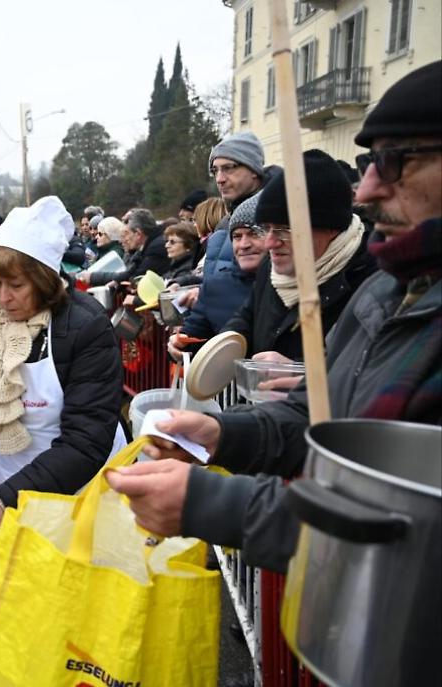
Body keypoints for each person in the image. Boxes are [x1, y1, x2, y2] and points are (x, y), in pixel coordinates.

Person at [106, 60, 442, 575]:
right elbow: (318, 419)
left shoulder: (366, 281)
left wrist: (210, 505)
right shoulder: (386, 292)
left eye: (398, 161)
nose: (370, 190)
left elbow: (406, 532)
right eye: (369, 162)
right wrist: (219, 433)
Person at [0, 197, 125, 566]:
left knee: (80, 580)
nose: (4, 297)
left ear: (45, 280)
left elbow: (86, 442)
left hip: (82, 484)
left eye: (15, 284)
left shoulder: (85, 326)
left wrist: (8, 496)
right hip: (15, 478)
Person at [223, 149, 377, 363]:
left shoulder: (371, 277)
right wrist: (220, 347)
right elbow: (247, 316)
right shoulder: (271, 265)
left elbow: (369, 369)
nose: (270, 243)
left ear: (331, 229)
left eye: (285, 230)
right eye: (266, 228)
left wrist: (298, 370)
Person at [168, 192, 269, 360]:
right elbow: (193, 340)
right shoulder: (216, 287)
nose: (244, 244)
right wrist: (177, 346)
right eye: (237, 236)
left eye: (254, 233)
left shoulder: (289, 286)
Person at [84, 208, 171, 286]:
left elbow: (135, 276)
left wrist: (93, 277)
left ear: (138, 234)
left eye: (127, 234)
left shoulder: (156, 248)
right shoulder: (148, 245)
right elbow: (129, 273)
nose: (123, 239)